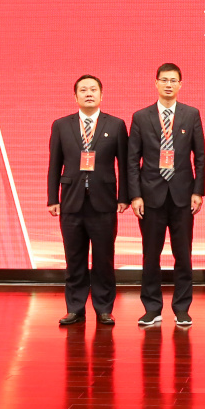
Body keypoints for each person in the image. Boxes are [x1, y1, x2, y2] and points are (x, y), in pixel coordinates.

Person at [47, 74, 129, 326]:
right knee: (74, 259)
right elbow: (54, 165)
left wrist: (123, 197)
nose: (89, 93)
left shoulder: (116, 125)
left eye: (93, 89)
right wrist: (52, 198)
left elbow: (124, 165)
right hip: (71, 202)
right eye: (83, 90)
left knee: (104, 259)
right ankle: (75, 308)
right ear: (75, 96)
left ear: (102, 95)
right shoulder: (61, 125)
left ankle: (104, 308)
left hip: (104, 203)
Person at [128, 63, 205, 327]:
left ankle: (182, 308)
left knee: (183, 255)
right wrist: (135, 195)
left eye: (173, 80)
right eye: (164, 80)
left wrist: (198, 191)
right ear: (156, 83)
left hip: (183, 196)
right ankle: (152, 308)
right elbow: (132, 160)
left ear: (180, 84)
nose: (169, 84)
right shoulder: (141, 116)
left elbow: (200, 157)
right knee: (151, 255)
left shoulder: (191, 114)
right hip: (150, 197)